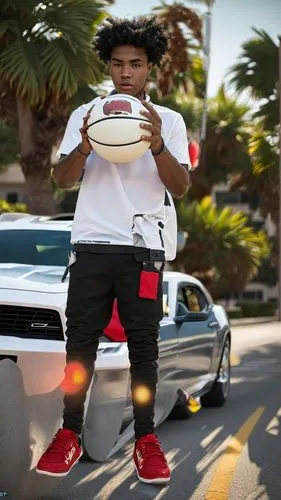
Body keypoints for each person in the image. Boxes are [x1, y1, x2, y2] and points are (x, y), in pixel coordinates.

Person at [36, 16, 191, 484]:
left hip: (142, 249)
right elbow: (61, 179)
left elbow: (181, 185)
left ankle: (145, 440)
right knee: (79, 345)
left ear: (150, 70)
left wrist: (159, 144)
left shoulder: (170, 120)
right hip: (91, 244)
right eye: (119, 64)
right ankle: (69, 434)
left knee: (143, 348)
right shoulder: (86, 114)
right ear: (108, 65)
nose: (127, 72)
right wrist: (83, 147)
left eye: (136, 64)